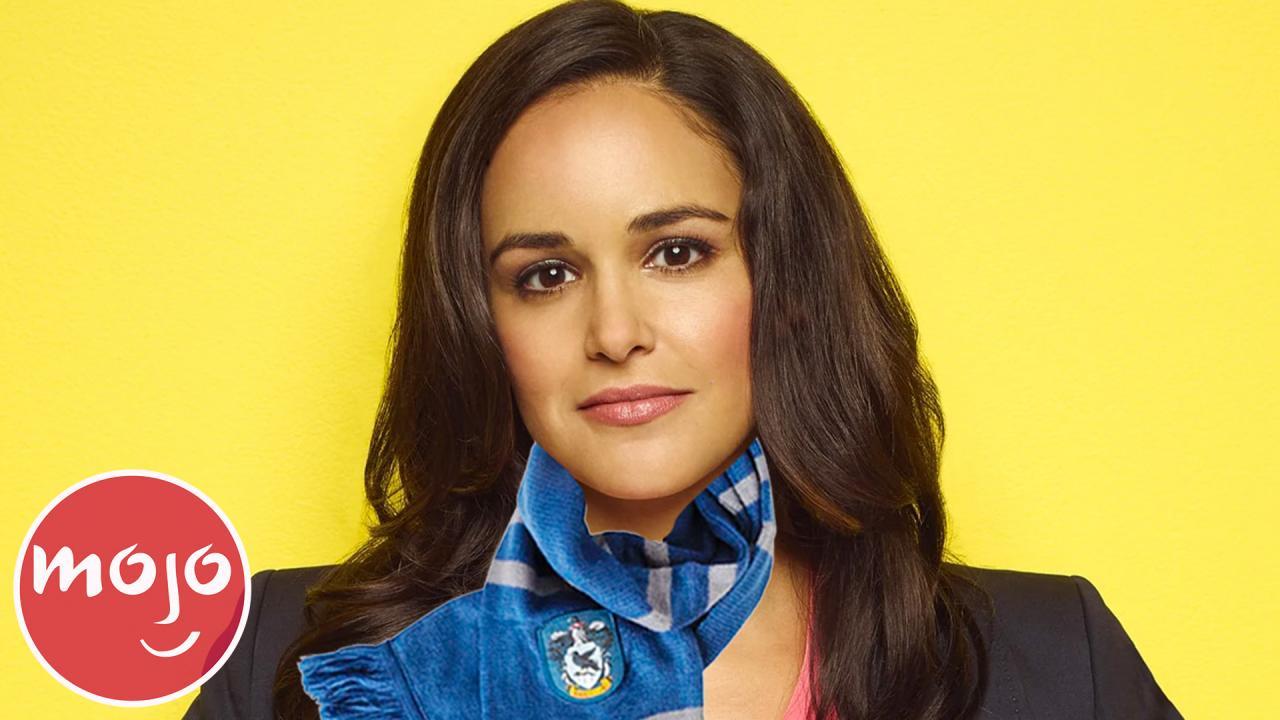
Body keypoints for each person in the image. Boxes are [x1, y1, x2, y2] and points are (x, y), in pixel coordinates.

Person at [183, 1, 1183, 718]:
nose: (615, 331)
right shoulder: (298, 665)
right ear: (477, 322)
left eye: (676, 253)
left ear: (785, 282)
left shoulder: (1056, 666)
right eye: (544, 275)